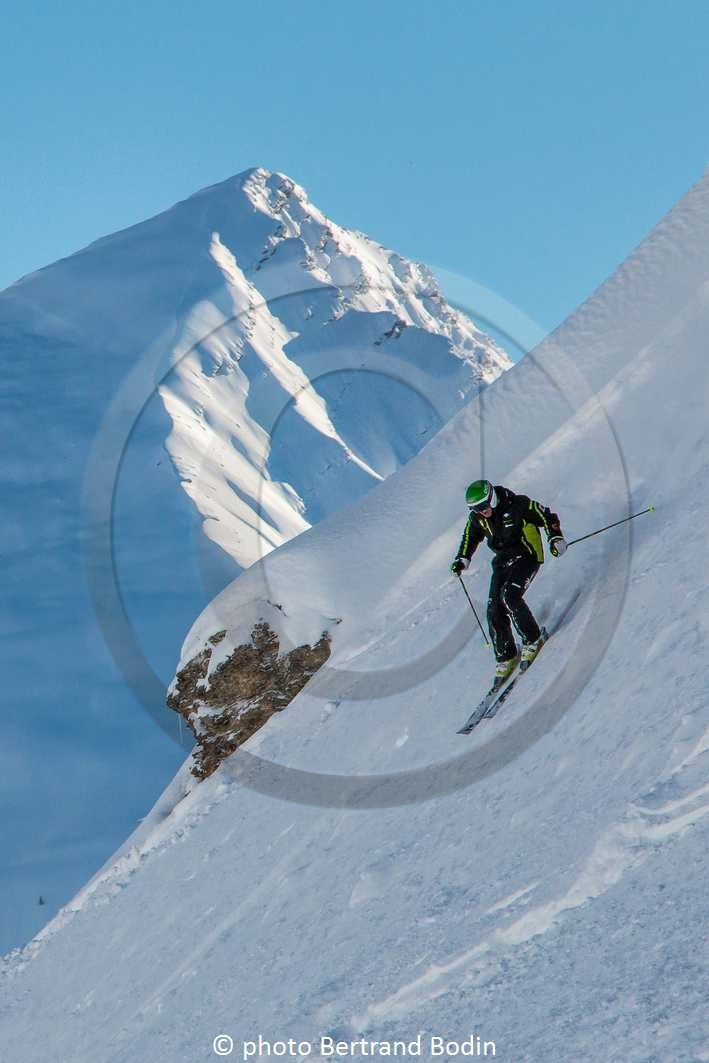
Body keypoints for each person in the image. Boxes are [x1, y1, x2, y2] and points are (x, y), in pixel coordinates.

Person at [450, 479, 567, 688]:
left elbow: (546, 516)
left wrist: (555, 538)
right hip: (503, 561)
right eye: (476, 509)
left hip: (527, 556)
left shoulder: (517, 505)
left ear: (492, 498)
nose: (481, 512)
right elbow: (470, 536)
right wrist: (462, 558)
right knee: (493, 607)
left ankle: (533, 638)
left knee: (509, 597)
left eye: (484, 506)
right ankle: (506, 655)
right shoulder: (478, 518)